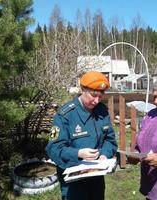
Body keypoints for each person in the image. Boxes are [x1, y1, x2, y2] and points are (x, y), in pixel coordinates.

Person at [46, 71, 118, 200]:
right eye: (93, 95)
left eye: (100, 96)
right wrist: (78, 153)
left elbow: (110, 140)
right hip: (73, 185)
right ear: (83, 89)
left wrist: (104, 155)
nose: (96, 101)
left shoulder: (102, 111)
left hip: (96, 179)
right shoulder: (64, 115)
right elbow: (53, 148)